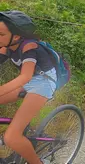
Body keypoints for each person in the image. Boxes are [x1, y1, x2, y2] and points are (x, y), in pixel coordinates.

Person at [0, 10, 55, 164]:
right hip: (29, 83)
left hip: (43, 84)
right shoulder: (8, 45)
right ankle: (22, 137)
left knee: (11, 137)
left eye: (0, 34)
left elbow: (26, 76)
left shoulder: (29, 47)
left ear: (16, 36)